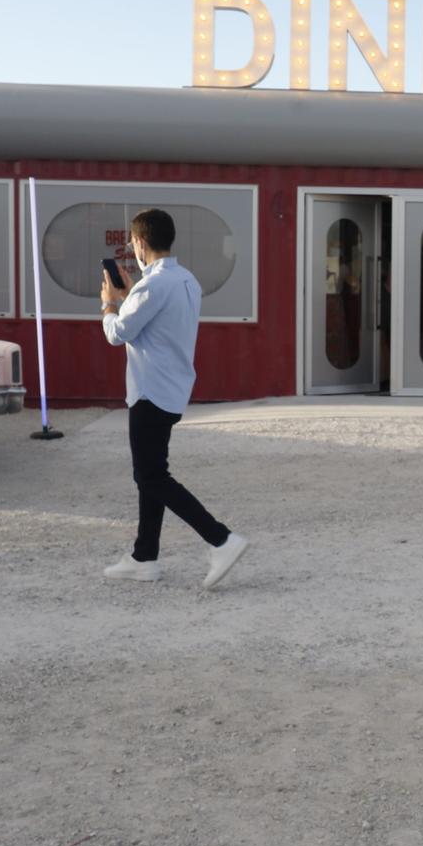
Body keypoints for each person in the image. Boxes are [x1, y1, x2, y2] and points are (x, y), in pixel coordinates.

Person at [99, 208, 249, 589]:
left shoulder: (154, 286)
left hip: (149, 390)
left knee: (151, 476)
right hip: (172, 388)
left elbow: (117, 334)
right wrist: (132, 293)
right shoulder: (186, 280)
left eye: (132, 243)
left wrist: (109, 303)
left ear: (139, 242)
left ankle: (221, 539)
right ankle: (144, 557)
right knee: (151, 475)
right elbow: (158, 324)